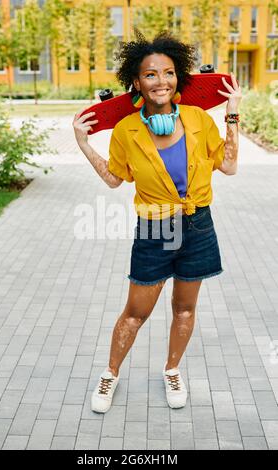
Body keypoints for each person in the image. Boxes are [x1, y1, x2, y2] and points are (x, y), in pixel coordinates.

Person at [72, 31, 242, 414]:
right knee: (136, 313)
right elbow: (115, 179)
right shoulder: (126, 132)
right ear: (136, 81)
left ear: (178, 77)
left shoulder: (199, 120)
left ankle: (172, 369)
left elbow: (229, 166)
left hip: (198, 225)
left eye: (168, 73)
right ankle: (110, 373)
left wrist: (232, 113)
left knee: (184, 309)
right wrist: (84, 144)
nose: (161, 81)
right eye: (150, 74)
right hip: (155, 230)